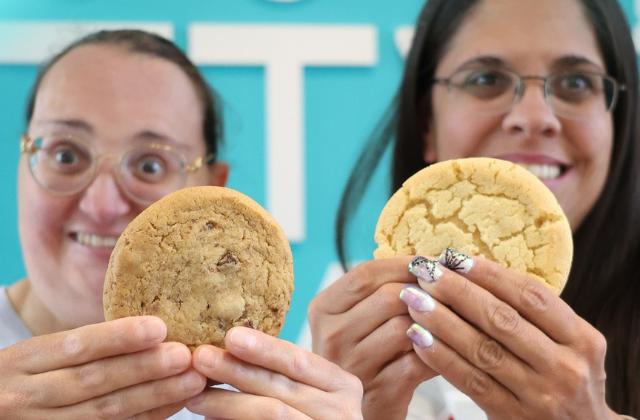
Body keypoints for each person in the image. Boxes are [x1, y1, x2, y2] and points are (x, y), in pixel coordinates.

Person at [0, 29, 363, 419]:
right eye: (66, 155)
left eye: (150, 165)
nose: (101, 205)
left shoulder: (268, 403)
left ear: (213, 191)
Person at [308, 0, 640, 419]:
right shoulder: (349, 322)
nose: (534, 117)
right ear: (427, 121)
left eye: (575, 82)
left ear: (618, 122)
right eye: (486, 79)